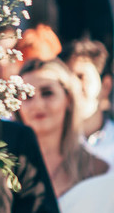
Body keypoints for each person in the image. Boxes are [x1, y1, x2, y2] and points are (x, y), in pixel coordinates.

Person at [17, 58, 108, 198]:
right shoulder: (5, 166)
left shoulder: (98, 169)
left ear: (68, 98)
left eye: (47, 93)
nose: (38, 105)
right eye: (28, 96)